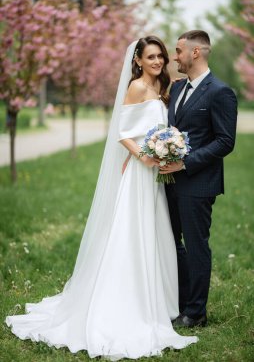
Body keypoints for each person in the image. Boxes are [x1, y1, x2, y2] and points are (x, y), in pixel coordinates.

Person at [6, 36, 198, 360]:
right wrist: (146, 157)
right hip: (139, 174)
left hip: (154, 176)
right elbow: (123, 133)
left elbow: (156, 128)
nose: (157, 62)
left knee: (155, 233)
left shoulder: (161, 88)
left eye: (161, 57)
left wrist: (168, 149)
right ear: (137, 60)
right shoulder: (137, 87)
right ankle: (126, 302)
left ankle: (158, 301)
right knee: (132, 235)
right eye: (151, 57)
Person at [160, 30, 238, 328]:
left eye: (178, 50)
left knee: (196, 245)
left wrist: (184, 163)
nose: (173, 56)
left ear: (195, 53)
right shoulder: (179, 89)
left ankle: (196, 313)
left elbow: (224, 141)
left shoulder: (221, 92)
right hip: (168, 183)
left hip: (198, 183)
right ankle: (179, 301)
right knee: (171, 242)